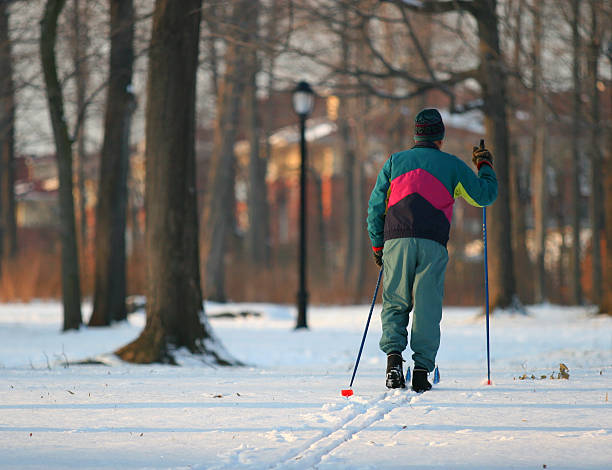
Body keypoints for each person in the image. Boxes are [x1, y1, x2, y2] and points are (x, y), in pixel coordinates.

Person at [366, 108, 498, 392]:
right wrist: (484, 164)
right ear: (441, 137)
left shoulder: (394, 162)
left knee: (395, 301)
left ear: (415, 135)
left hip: (395, 241)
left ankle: (393, 364)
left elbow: (376, 207)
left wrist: (379, 246)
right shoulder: (451, 166)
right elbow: (484, 196)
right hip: (432, 243)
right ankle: (423, 370)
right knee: (426, 305)